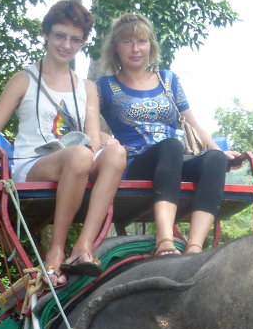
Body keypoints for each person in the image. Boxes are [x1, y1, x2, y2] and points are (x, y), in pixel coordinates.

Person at [0, 0, 126, 286]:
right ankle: (56, 251)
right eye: (60, 35)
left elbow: (93, 138)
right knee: (80, 156)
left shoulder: (87, 88)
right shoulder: (24, 79)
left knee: (116, 153)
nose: (66, 45)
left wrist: (105, 143)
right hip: (33, 163)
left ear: (82, 43)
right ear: (46, 34)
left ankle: (83, 248)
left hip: (77, 158)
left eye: (75, 39)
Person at [97, 13, 244, 256]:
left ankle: (195, 246)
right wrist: (105, 140)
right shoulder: (104, 85)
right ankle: (164, 241)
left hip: (174, 160)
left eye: (142, 41)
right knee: (171, 146)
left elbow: (193, 121)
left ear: (150, 46)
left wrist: (218, 151)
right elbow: (90, 126)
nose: (135, 49)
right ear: (115, 48)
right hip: (136, 162)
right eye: (127, 42)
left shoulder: (168, 80)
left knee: (213, 160)